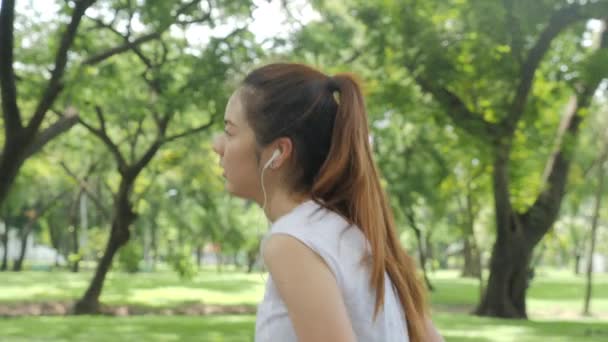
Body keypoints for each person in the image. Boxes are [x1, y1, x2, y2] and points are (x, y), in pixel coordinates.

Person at [212, 63, 443, 342]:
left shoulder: (293, 242)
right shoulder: (353, 234)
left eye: (230, 132)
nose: (217, 145)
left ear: (279, 152)